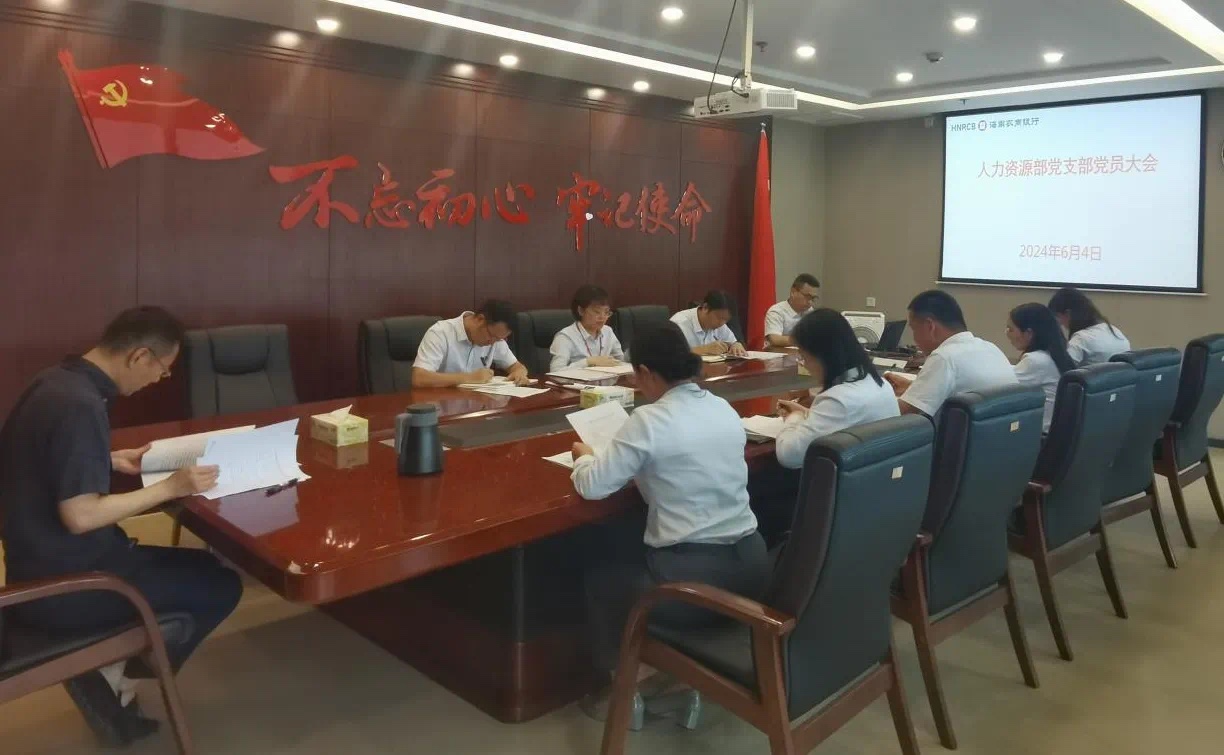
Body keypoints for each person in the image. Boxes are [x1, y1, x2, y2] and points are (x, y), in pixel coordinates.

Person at [0, 307, 241, 747]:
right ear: (140, 356)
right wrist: (172, 486)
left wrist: (106, 460)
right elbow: (81, 516)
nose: (160, 379)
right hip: (65, 587)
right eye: (162, 369)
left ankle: (113, 671)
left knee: (206, 570)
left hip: (34, 562)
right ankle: (116, 675)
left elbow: (31, 459)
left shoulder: (55, 382)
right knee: (221, 586)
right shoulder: (81, 405)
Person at [571, 321, 770, 723]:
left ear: (645, 371)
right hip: (753, 568)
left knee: (604, 581)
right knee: (631, 546)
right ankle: (681, 684)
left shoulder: (649, 420)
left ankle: (628, 692)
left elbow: (592, 486)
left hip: (694, 582)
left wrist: (584, 457)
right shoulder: (721, 406)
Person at [774, 309, 899, 469]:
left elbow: (788, 455)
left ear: (823, 355)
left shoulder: (838, 400)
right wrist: (807, 413)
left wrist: (794, 417)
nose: (805, 365)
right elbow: (844, 421)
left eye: (803, 358)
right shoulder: (879, 384)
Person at [885, 290, 1017, 418]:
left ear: (930, 326)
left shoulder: (944, 357)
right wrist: (912, 388)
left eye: (914, 329)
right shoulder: (991, 348)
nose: (914, 338)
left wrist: (879, 400)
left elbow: (901, 414)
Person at [412, 299, 530, 387]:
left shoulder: (495, 338)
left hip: (477, 406)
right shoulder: (440, 333)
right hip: (441, 405)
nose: (492, 343)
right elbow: (419, 378)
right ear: (480, 319)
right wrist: (469, 378)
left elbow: (516, 366)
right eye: (491, 336)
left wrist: (520, 373)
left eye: (498, 339)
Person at [1007, 303, 1076, 431]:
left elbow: (1003, 388)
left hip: (1041, 434)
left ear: (1029, 333)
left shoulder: (1035, 361)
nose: (1007, 333)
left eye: (1010, 329)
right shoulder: (1055, 355)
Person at [1047, 287, 1131, 366]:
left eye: (1058, 316)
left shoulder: (1081, 339)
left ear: (1068, 313)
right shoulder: (1114, 330)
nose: (1060, 323)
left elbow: (1062, 369)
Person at [549, 285, 625, 371]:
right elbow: (555, 371)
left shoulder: (608, 331)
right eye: (597, 312)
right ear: (581, 311)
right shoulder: (565, 337)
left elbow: (621, 361)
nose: (602, 317)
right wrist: (588, 362)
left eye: (606, 312)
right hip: (578, 380)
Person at [670, 290, 747, 357]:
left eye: (725, 320)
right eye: (719, 318)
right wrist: (704, 349)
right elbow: (669, 355)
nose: (721, 323)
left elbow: (731, 342)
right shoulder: (679, 323)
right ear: (705, 307)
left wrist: (736, 345)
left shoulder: (720, 324)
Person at [764, 273, 820, 348]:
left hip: (801, 353)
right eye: (807, 296)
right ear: (793, 292)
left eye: (813, 298)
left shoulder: (810, 311)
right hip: (778, 353)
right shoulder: (777, 311)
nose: (810, 302)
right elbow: (775, 339)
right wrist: (804, 340)